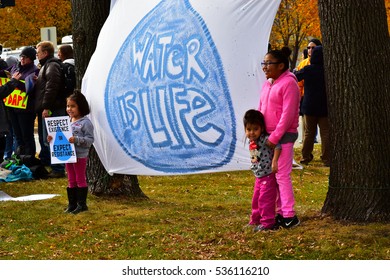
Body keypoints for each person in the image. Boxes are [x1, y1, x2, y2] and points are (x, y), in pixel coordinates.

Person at [258, 47, 300, 228]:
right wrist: (258, 132)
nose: (265, 67)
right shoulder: (268, 83)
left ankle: (289, 215)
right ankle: (279, 211)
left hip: (282, 137)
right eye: (264, 63)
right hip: (267, 138)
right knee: (272, 176)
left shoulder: (289, 83)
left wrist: (275, 137)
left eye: (269, 63)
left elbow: (288, 114)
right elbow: (261, 107)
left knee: (282, 175)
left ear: (281, 65)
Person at [47, 90, 94, 214]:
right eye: (68, 106)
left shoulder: (85, 123)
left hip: (80, 156)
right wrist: (51, 138)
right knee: (71, 179)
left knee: (80, 178)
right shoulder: (66, 121)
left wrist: (77, 140)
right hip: (67, 155)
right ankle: (72, 204)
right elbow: (59, 138)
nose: (69, 109)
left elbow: (90, 140)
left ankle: (82, 205)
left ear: (81, 107)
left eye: (73, 106)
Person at [244, 109, 281, 232]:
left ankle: (268, 222)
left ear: (261, 128)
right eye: (249, 130)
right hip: (258, 176)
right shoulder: (252, 141)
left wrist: (274, 161)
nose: (252, 133)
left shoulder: (265, 139)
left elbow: (278, 146)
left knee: (265, 199)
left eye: (255, 129)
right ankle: (255, 220)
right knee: (256, 199)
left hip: (268, 176)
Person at [35, 41, 67, 178]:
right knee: (50, 138)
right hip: (53, 107)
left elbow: (52, 87)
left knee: (54, 138)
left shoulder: (52, 65)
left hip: (53, 109)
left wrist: (46, 107)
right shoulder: (48, 65)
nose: (37, 54)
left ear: (45, 53)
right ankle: (56, 167)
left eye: (38, 52)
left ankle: (59, 169)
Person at [295, 46, 329, 166]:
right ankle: (327, 158)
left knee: (309, 132)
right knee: (325, 132)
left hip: (309, 105)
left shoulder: (308, 69)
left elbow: (296, 76)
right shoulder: (328, 70)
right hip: (324, 105)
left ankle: (305, 157)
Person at [4, 47, 39, 158]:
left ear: (31, 59)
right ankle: (20, 157)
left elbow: (30, 89)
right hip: (12, 106)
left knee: (26, 135)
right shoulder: (15, 67)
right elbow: (4, 73)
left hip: (26, 108)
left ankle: (29, 158)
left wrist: (16, 82)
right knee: (17, 136)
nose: (22, 59)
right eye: (21, 56)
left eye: (25, 57)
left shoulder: (34, 70)